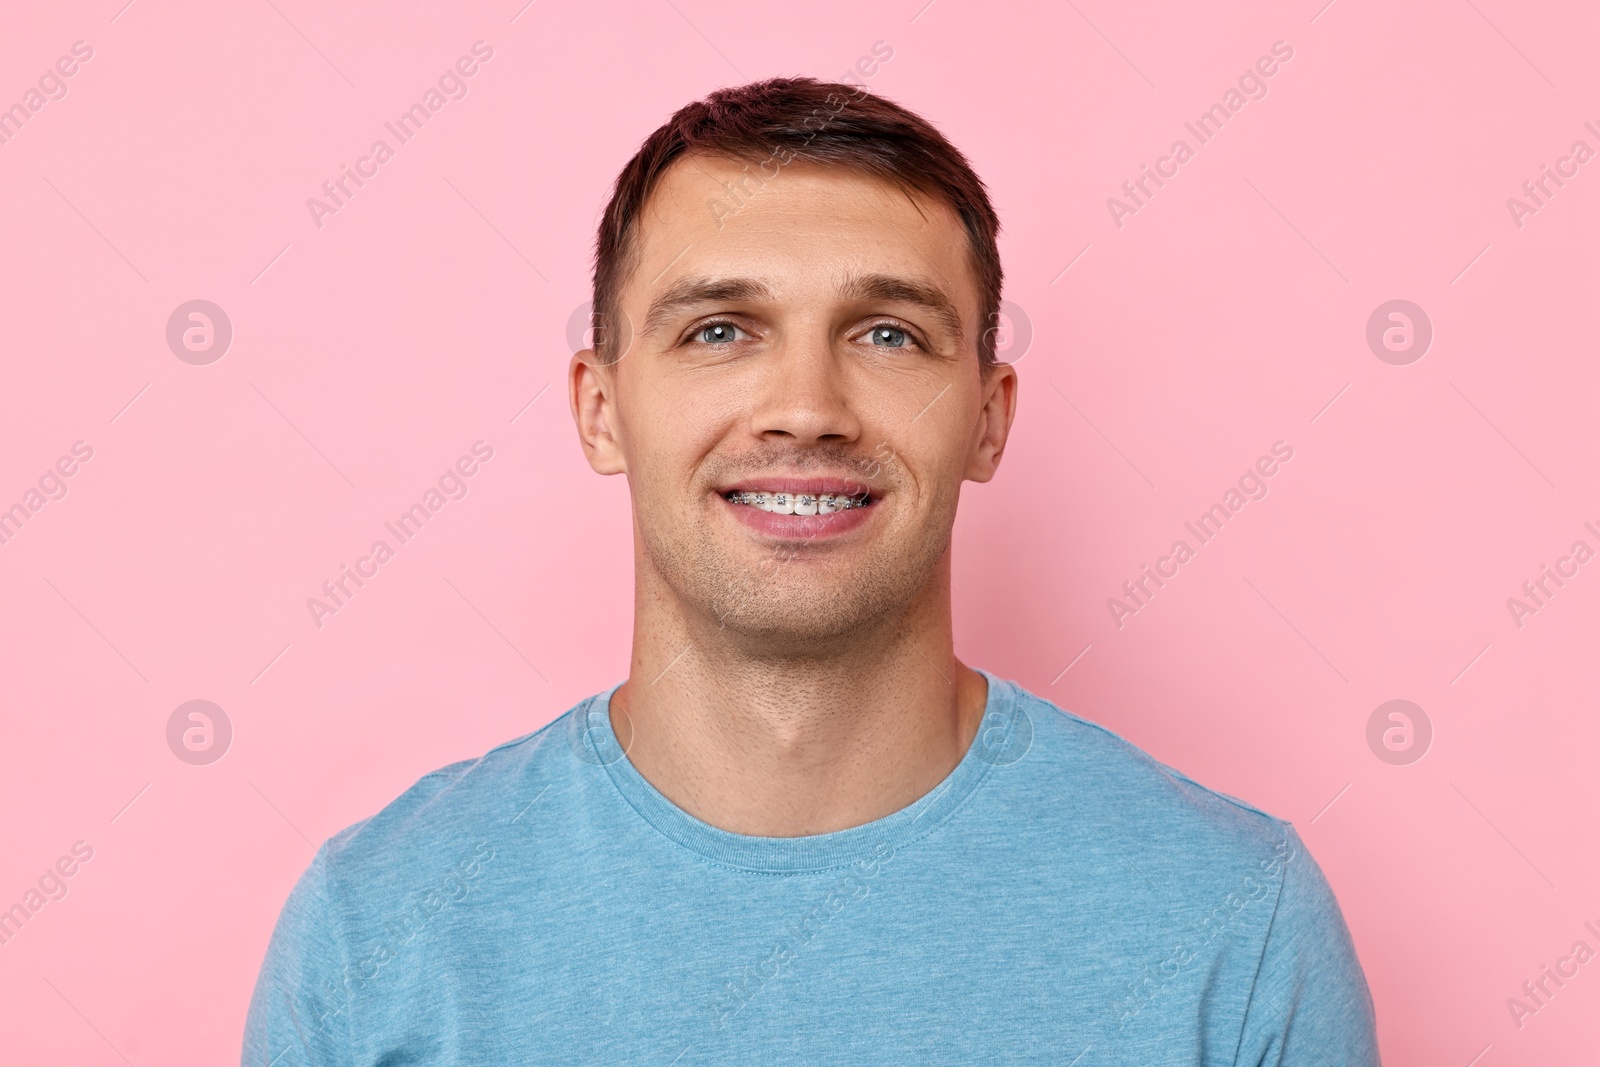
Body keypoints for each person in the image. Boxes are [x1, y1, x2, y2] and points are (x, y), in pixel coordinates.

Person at [243, 76, 1379, 1065]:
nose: (805, 409)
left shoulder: (1234, 920)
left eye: (887, 332)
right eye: (719, 329)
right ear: (600, 408)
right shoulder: (377, 924)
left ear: (986, 420)